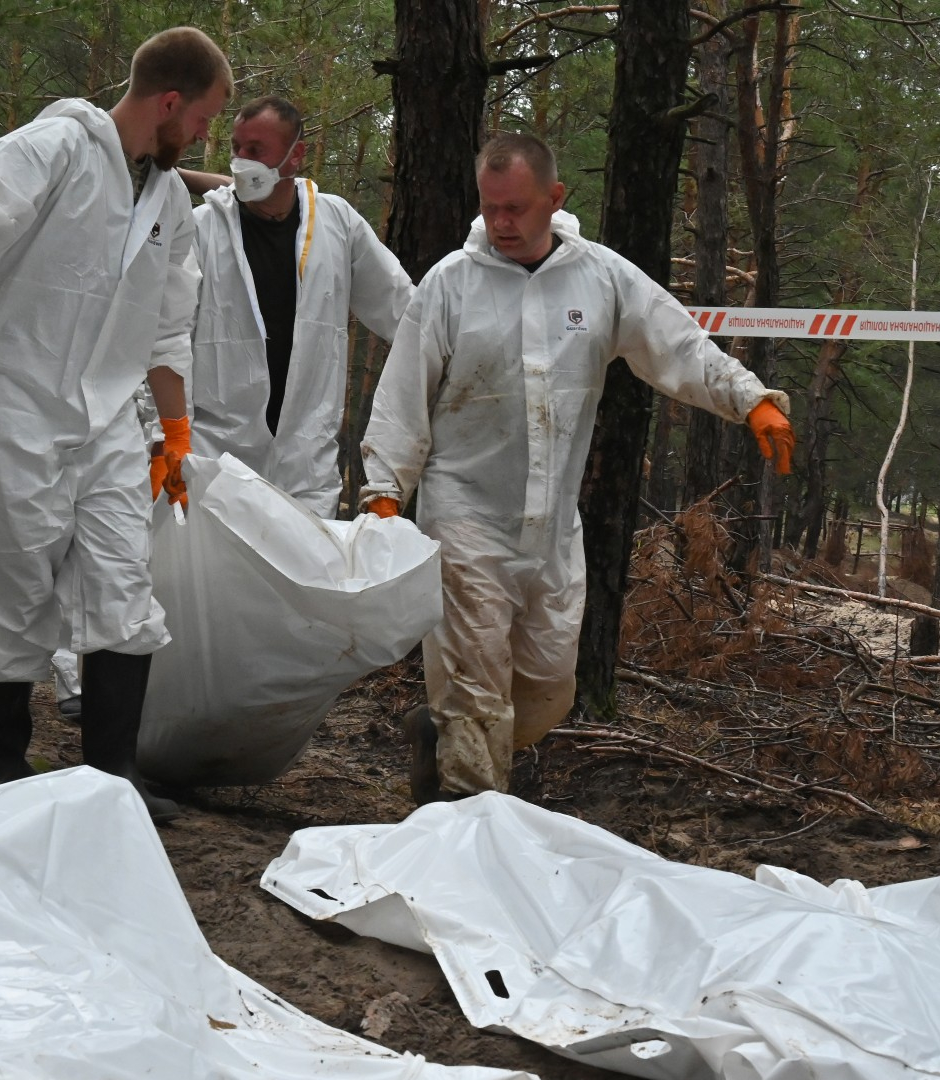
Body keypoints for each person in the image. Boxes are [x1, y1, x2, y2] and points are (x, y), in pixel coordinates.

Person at [0, 27, 231, 822]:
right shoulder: (60, 145)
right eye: (199, 121)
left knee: (123, 577)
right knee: (11, 573)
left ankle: (111, 775)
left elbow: (168, 329)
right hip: (16, 401)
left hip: (108, 419)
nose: (202, 139)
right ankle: (4, 757)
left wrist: (176, 431)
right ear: (169, 103)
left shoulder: (167, 200)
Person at [360, 133, 795, 802]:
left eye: (518, 208)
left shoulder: (602, 279)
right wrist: (385, 490)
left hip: (552, 532)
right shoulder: (452, 284)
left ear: (555, 198)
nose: (502, 223)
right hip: (466, 517)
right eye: (491, 207)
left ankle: (440, 733)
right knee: (477, 693)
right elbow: (402, 394)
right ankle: (467, 836)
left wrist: (750, 399)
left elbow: (676, 343)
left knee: (545, 692)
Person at [182, 96, 413, 517]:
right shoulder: (203, 230)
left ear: (296, 156)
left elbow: (403, 310)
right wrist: (169, 435)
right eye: (236, 148)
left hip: (305, 463)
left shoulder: (336, 225)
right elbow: (169, 339)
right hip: (215, 456)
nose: (241, 162)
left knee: (300, 579)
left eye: (256, 151)